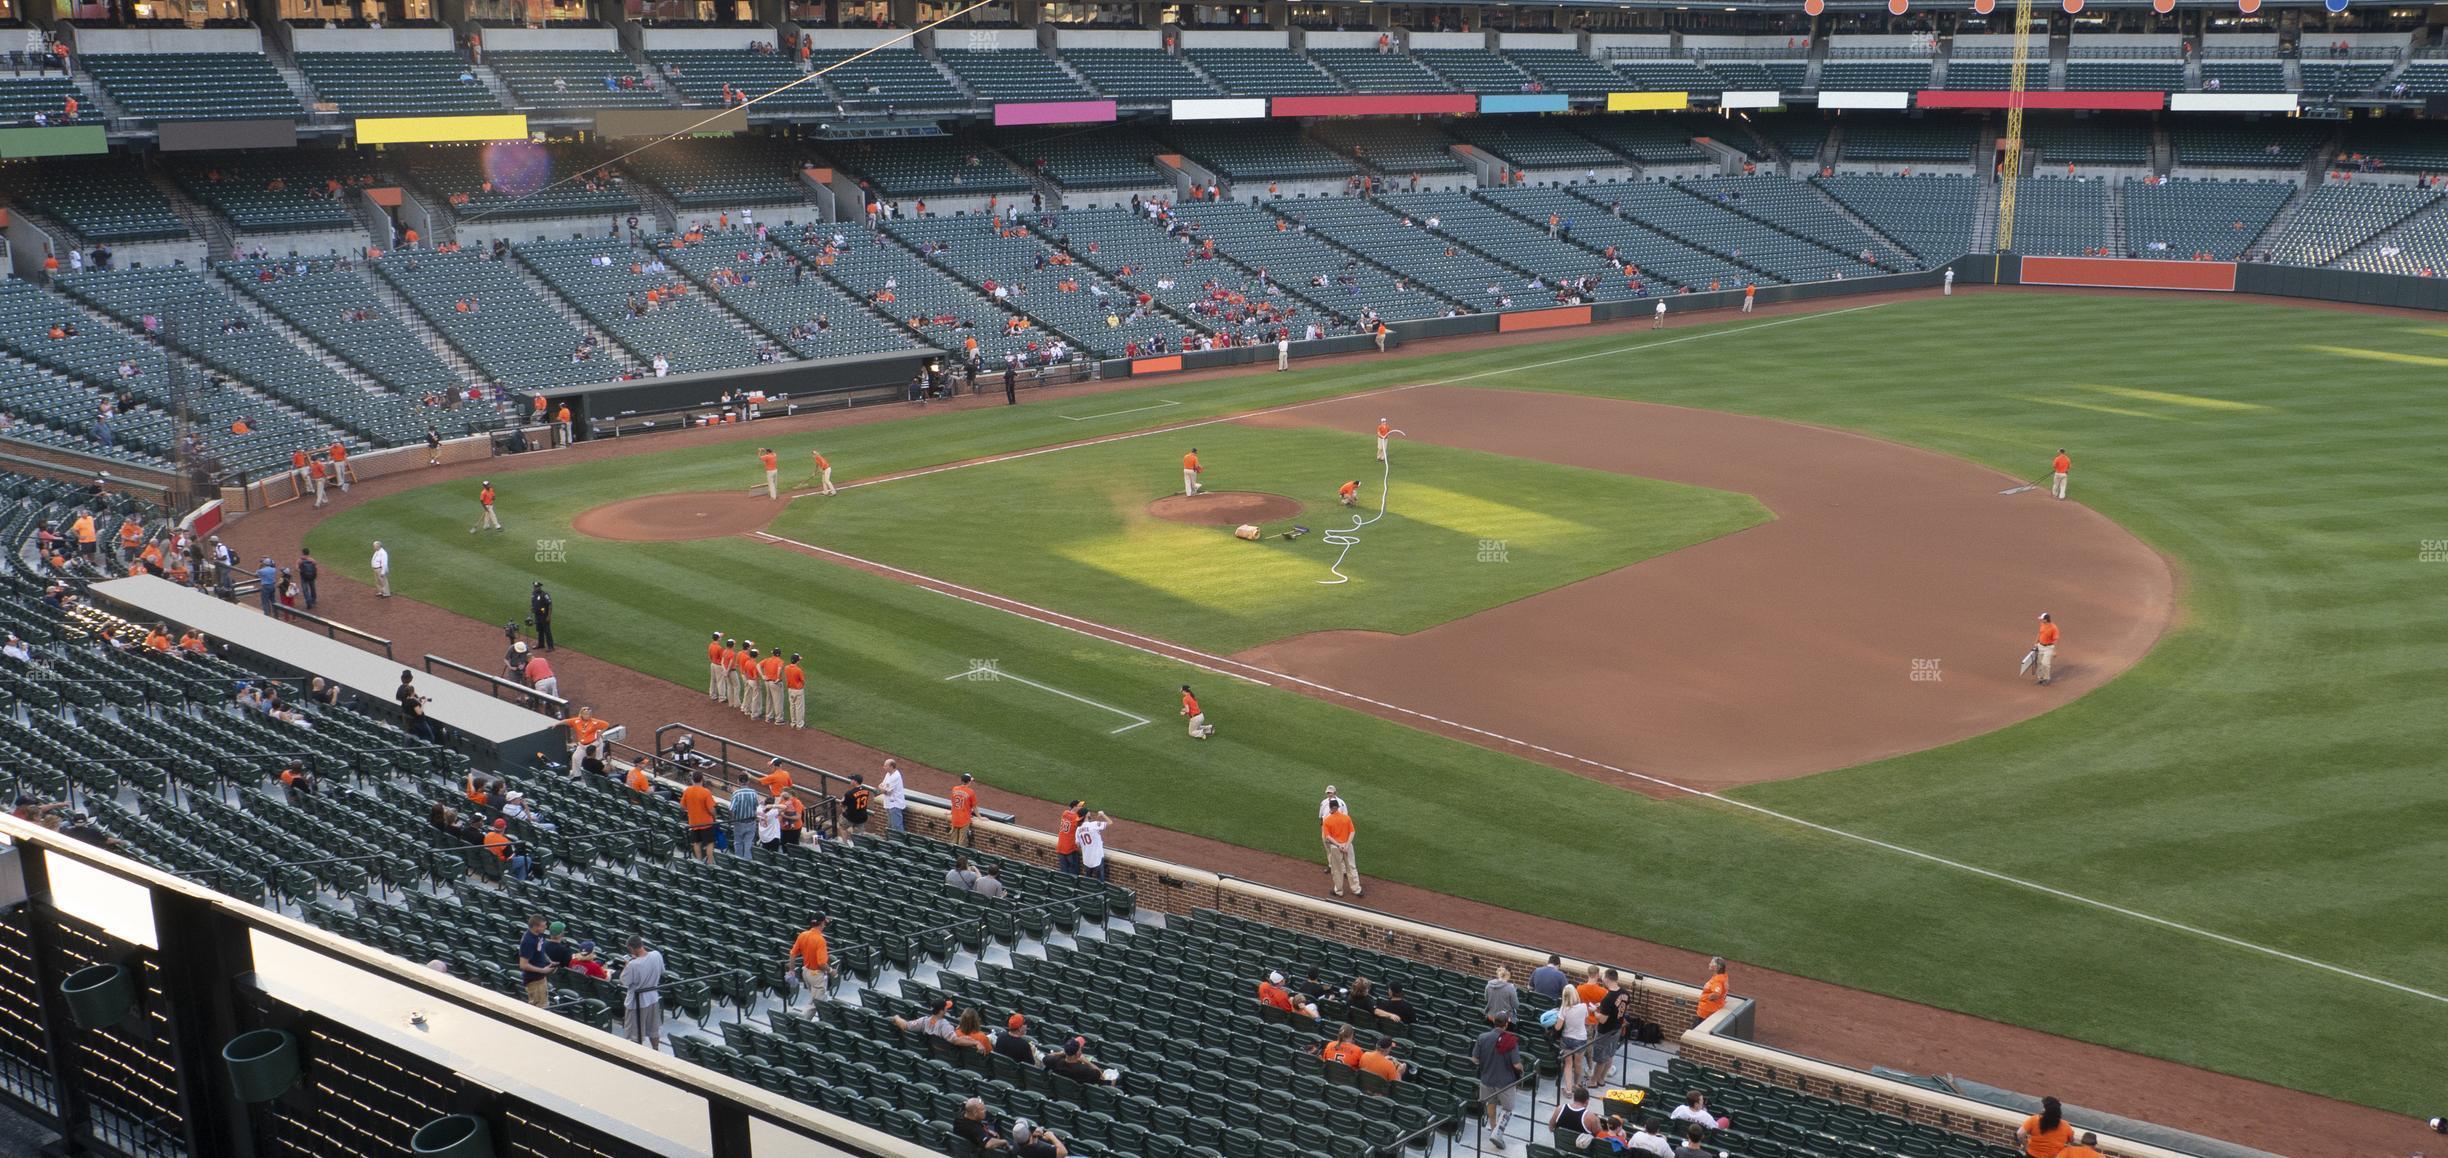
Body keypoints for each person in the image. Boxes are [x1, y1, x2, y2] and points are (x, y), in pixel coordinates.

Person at [1471, 1015, 1524, 1139]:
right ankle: (1497, 1133)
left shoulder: (1482, 1037)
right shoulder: (1511, 1040)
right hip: (1505, 1082)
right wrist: (1522, 1069)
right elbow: (1516, 1064)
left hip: (1486, 1078)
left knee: (1491, 1102)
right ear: (1506, 1024)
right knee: (1508, 1108)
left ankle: (1493, 1128)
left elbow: (1474, 1059)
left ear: (1494, 1023)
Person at [620, 937, 665, 1048]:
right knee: (654, 1030)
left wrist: (627, 966)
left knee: (635, 1035)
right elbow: (662, 971)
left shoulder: (633, 965)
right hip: (653, 997)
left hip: (637, 1002)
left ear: (630, 948)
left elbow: (624, 981)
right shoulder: (656, 955)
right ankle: (656, 1050)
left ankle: (638, 1056)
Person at [1555, 980, 1594, 1091]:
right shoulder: (1583, 1006)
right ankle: (1576, 1085)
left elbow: (1558, 1027)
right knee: (1578, 1063)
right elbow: (1585, 1019)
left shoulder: (1564, 1008)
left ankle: (1568, 1089)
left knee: (1568, 1064)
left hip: (1567, 1038)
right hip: (1581, 1039)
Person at [787, 912, 831, 1010]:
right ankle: (802, 1023)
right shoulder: (820, 940)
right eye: (824, 922)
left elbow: (792, 954)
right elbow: (822, 964)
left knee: (818, 999)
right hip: (816, 976)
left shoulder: (803, 935)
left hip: (806, 973)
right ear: (822, 923)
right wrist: (831, 970)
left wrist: (791, 971)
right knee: (814, 1005)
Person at [1322, 798, 1360, 898]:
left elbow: (1328, 837)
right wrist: (1346, 845)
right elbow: (1352, 832)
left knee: (1337, 870)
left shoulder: (1327, 820)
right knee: (1351, 868)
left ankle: (1339, 891)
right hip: (1348, 847)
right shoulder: (1346, 818)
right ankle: (1356, 890)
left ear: (1330, 807)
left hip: (1336, 847)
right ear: (1337, 807)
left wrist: (1339, 845)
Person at [517, 914, 557, 1006]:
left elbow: (541, 950)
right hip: (533, 980)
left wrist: (550, 961)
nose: (546, 927)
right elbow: (523, 965)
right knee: (539, 1008)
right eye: (543, 926)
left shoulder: (539, 935)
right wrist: (542, 970)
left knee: (544, 1004)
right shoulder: (528, 941)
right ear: (535, 927)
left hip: (540, 978)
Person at [680, 771, 719, 861]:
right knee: (709, 843)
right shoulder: (706, 792)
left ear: (692, 780)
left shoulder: (687, 791)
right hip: (706, 823)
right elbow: (711, 809)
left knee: (696, 843)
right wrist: (715, 817)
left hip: (693, 822)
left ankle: (699, 861)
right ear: (702, 779)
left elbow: (682, 806)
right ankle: (710, 862)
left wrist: (690, 810)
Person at [1043, 1037, 1110, 1085]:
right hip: (1079, 1093)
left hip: (1063, 1090)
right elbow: (1101, 1075)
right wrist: (1087, 1062)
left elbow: (1047, 1057)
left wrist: (1061, 1053)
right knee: (1113, 1079)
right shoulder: (1084, 1070)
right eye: (1080, 1049)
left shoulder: (1056, 1061)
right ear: (1078, 1053)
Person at [1075, 810, 1111, 882]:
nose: (1090, 813)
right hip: (1097, 859)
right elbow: (1110, 822)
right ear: (1086, 815)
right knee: (1100, 883)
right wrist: (1103, 814)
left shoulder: (1078, 829)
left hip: (1086, 861)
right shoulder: (1094, 824)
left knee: (1088, 882)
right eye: (1088, 812)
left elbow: (1078, 845)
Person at [729, 780, 761, 860]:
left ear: (738, 782)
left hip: (739, 822)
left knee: (738, 843)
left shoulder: (736, 793)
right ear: (748, 782)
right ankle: (747, 863)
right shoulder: (753, 793)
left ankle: (739, 861)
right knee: (749, 843)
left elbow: (731, 810)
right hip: (751, 822)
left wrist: (733, 820)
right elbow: (758, 806)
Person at [947, 772, 978, 846]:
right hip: (964, 819)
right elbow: (974, 807)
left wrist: (951, 812)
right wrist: (980, 817)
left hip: (955, 818)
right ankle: (960, 857)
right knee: (962, 843)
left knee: (953, 842)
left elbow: (953, 803)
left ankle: (952, 856)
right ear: (969, 781)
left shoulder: (955, 789)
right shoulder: (971, 792)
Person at [838, 774, 873, 840]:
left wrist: (843, 806)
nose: (850, 781)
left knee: (842, 827)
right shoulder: (866, 791)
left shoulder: (849, 793)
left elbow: (842, 804)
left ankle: (845, 845)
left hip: (851, 817)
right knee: (858, 836)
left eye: (852, 780)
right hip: (862, 817)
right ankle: (858, 847)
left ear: (855, 782)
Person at [1696, 957, 1728, 1024]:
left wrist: (1705, 998)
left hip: (1707, 1012)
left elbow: (1716, 994)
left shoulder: (1717, 980)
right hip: (1709, 1010)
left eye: (1711, 963)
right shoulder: (1722, 976)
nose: (1709, 964)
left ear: (1716, 967)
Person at [879, 758, 907, 832]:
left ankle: (901, 843)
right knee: (891, 826)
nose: (883, 767)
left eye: (885, 765)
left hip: (895, 805)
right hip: (889, 804)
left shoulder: (896, 776)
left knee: (897, 827)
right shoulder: (888, 774)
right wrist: (882, 788)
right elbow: (882, 786)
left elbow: (887, 792)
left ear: (891, 767)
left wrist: (882, 789)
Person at [1054, 802, 1083, 874]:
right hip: (1070, 849)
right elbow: (1082, 823)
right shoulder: (1076, 818)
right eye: (1080, 806)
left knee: (1064, 872)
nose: (1081, 808)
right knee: (1074, 871)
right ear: (1075, 807)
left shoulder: (1065, 813)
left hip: (1060, 847)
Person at [2032, 613, 2059, 686]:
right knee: (2039, 663)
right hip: (2040, 646)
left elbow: (2055, 639)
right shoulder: (2042, 625)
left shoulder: (2054, 628)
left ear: (2046, 619)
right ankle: (2041, 679)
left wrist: (2054, 651)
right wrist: (2035, 643)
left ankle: (2046, 678)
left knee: (2045, 663)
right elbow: (2039, 634)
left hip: (2048, 648)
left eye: (2042, 619)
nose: (2040, 620)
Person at [530, 582, 554, 651]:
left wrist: (549, 616)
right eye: (534, 587)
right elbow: (533, 602)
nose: (535, 588)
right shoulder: (533, 594)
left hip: (544, 615)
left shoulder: (544, 595)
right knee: (539, 630)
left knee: (547, 631)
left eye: (536, 587)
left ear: (540, 587)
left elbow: (550, 605)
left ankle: (551, 647)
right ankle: (541, 644)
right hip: (537, 615)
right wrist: (532, 608)